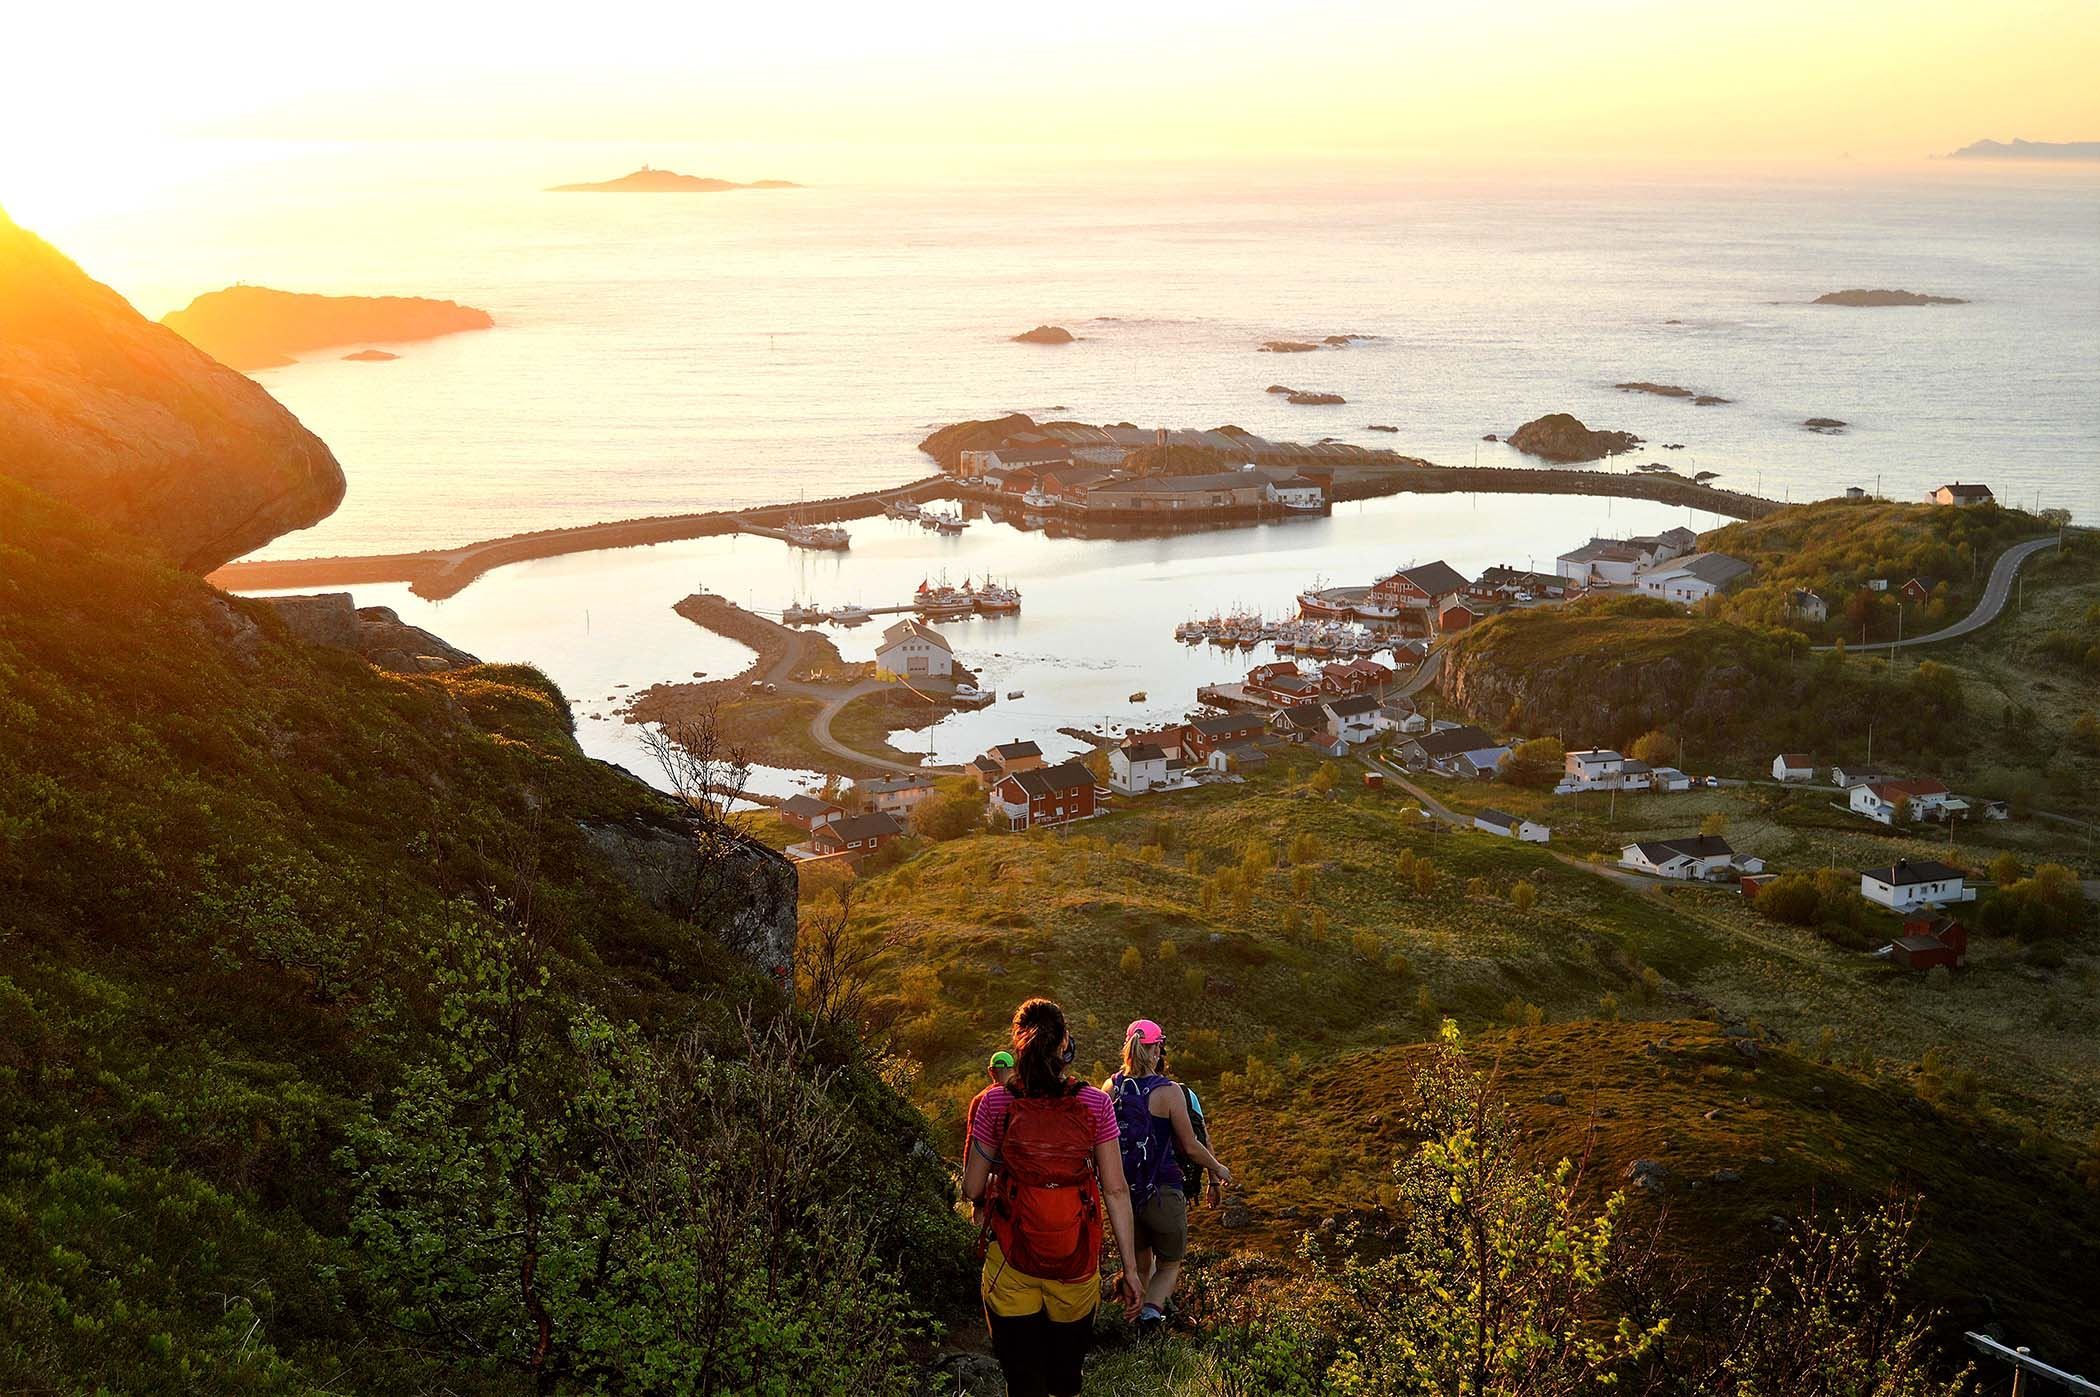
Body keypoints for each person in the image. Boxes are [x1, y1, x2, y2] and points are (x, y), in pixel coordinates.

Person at [963, 998, 1144, 1397]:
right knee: (1065, 1381)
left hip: (1012, 1262)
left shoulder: (994, 1102)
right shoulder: (1095, 1103)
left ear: (1018, 1044)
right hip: (1075, 1264)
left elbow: (971, 1189)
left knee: (1023, 1383)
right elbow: (1115, 1189)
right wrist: (1130, 1270)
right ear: (1065, 1044)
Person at [1105, 1018, 1231, 1335]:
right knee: (1170, 1264)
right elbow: (1190, 1145)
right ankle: (1149, 1318)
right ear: (1157, 1048)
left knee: (1137, 1267)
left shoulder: (1109, 1088)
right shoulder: (1170, 1092)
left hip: (1124, 1198)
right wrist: (1218, 1169)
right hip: (1163, 1192)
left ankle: (1127, 1325)